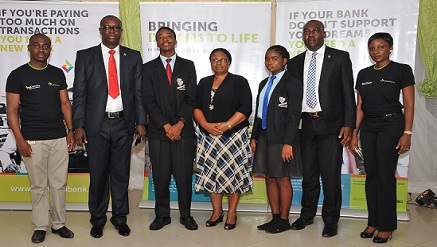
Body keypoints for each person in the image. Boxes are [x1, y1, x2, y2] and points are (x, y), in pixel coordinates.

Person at [72, 15, 146, 238]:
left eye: (116, 28)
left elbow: (138, 92)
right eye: (107, 27)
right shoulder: (85, 56)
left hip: (124, 123)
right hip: (97, 125)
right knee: (98, 174)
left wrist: (141, 121)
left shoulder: (133, 57)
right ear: (100, 30)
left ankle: (120, 217)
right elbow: (80, 93)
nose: (112, 31)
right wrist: (78, 125)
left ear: (121, 31)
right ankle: (97, 219)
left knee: (121, 174)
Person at [287, 20, 356, 237]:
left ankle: (330, 220)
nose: (311, 35)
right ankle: (307, 215)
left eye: (315, 31)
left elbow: (348, 93)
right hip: (305, 124)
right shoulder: (295, 62)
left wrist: (348, 124)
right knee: (308, 175)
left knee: (330, 175)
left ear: (324, 33)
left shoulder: (339, 58)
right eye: (306, 32)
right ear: (303, 36)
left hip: (331, 125)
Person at [6, 33, 75, 243]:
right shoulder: (17, 75)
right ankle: (40, 226)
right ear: (29, 48)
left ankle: (59, 224)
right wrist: (20, 140)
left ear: (50, 49)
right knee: (38, 186)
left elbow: (65, 104)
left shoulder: (57, 74)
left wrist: (70, 130)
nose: (41, 49)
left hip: (58, 138)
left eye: (45, 46)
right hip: (32, 140)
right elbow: (12, 110)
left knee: (58, 184)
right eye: (37, 46)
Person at [349, 32, 415, 243]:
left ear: (390, 48)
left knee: (385, 175)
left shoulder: (402, 70)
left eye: (380, 47)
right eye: (372, 48)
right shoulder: (363, 73)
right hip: (369, 126)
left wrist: (407, 133)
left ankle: (387, 225)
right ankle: (374, 221)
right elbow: (360, 106)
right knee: (372, 175)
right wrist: (353, 132)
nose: (376, 52)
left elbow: (410, 104)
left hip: (392, 124)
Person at [143, 27, 198, 231]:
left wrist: (180, 123)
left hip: (183, 132)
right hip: (159, 132)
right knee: (161, 176)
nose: (165, 40)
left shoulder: (188, 66)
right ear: (157, 43)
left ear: (175, 41)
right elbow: (148, 100)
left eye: (168, 37)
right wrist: (167, 126)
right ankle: (162, 215)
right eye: (160, 37)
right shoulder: (148, 68)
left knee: (184, 176)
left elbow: (191, 97)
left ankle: (186, 215)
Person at [194, 48, 253, 230]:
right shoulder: (203, 83)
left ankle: (232, 213)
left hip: (233, 136)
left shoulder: (239, 81)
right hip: (209, 136)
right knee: (212, 176)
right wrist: (205, 125)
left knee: (232, 176)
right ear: (210, 62)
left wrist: (227, 125)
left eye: (223, 60)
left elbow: (246, 108)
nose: (218, 63)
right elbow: (195, 107)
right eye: (214, 60)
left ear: (229, 62)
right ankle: (217, 212)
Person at [251, 45, 302, 233]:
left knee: (282, 179)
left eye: (274, 58)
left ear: (284, 60)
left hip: (282, 139)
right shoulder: (264, 83)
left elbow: (294, 115)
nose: (269, 62)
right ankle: (274, 218)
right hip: (264, 136)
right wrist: (254, 137)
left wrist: (288, 143)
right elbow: (259, 113)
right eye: (267, 58)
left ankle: (284, 219)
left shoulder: (292, 83)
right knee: (269, 178)